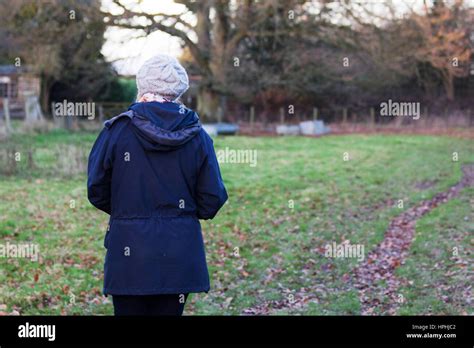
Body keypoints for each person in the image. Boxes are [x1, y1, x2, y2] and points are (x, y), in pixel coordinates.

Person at [87, 55, 228, 316]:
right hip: (178, 253)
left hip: (129, 254)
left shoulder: (116, 131)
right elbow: (211, 199)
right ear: (178, 91)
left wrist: (128, 210)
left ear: (142, 86)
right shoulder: (199, 137)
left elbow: (96, 189)